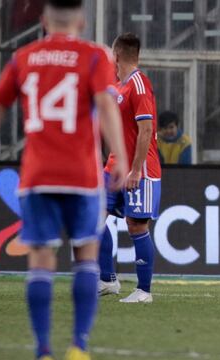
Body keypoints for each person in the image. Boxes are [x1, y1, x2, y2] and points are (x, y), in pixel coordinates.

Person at [0, 1, 129, 359]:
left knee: (41, 259)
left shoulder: (25, 57)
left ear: (42, 21)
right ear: (82, 21)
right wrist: (118, 154)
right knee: (86, 255)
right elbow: (105, 107)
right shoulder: (93, 56)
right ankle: (78, 346)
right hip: (82, 176)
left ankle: (43, 349)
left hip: (38, 175)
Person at [97, 32, 162, 303]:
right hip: (114, 166)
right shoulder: (118, 85)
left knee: (136, 225)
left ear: (116, 55)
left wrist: (135, 170)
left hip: (141, 169)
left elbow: (146, 130)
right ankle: (107, 280)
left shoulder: (139, 84)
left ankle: (144, 291)